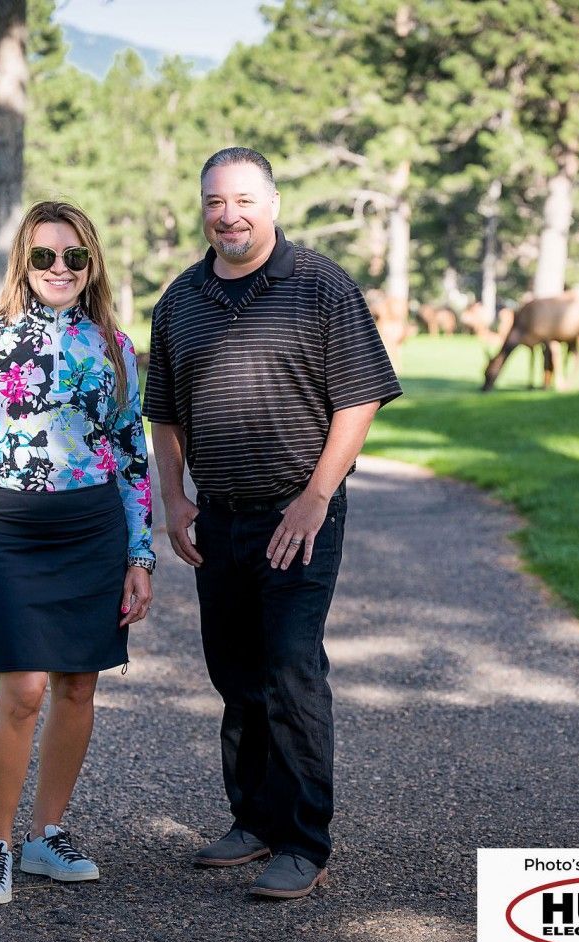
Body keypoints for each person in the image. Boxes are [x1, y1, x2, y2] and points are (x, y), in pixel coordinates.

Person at [144, 147, 401, 899]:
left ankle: (302, 840)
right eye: (215, 202)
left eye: (244, 200)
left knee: (290, 668)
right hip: (218, 517)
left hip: (298, 517)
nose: (229, 215)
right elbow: (164, 412)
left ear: (273, 204)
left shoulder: (319, 284)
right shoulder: (181, 300)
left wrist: (317, 495)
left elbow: (359, 397)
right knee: (235, 674)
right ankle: (253, 820)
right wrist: (176, 497)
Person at [0, 200, 155, 906]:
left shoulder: (115, 347)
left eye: (73, 256)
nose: (59, 268)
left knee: (78, 686)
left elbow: (130, 455)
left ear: (91, 264)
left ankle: (46, 835)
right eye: (43, 256)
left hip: (92, 530)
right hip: (9, 528)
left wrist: (141, 556)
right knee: (23, 689)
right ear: (23, 266)